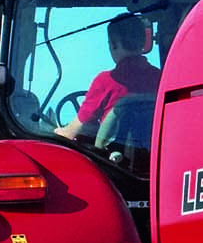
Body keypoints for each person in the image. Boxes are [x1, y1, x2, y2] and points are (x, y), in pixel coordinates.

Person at [60, 12, 160, 144]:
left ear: (113, 44)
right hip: (151, 155)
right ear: (143, 41)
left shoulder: (105, 81)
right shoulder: (160, 78)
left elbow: (75, 129)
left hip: (110, 160)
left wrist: (56, 132)